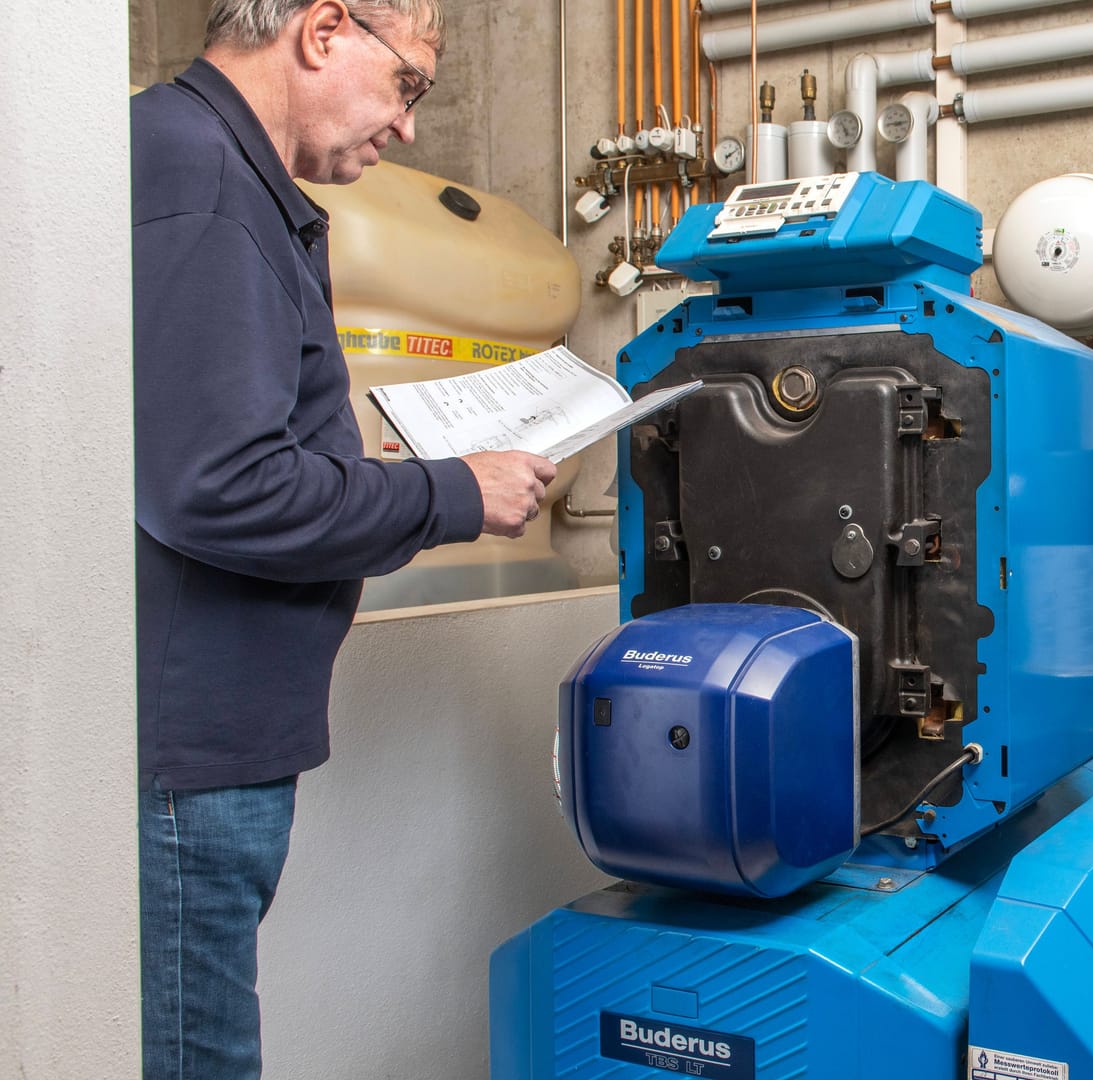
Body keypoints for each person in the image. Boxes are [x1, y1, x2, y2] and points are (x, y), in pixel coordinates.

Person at [130, 3, 553, 1076]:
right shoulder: (203, 177)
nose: (408, 129)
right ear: (322, 30)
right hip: (188, 759)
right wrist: (450, 493)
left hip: (215, 746)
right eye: (409, 85)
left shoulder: (234, 181)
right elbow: (217, 489)